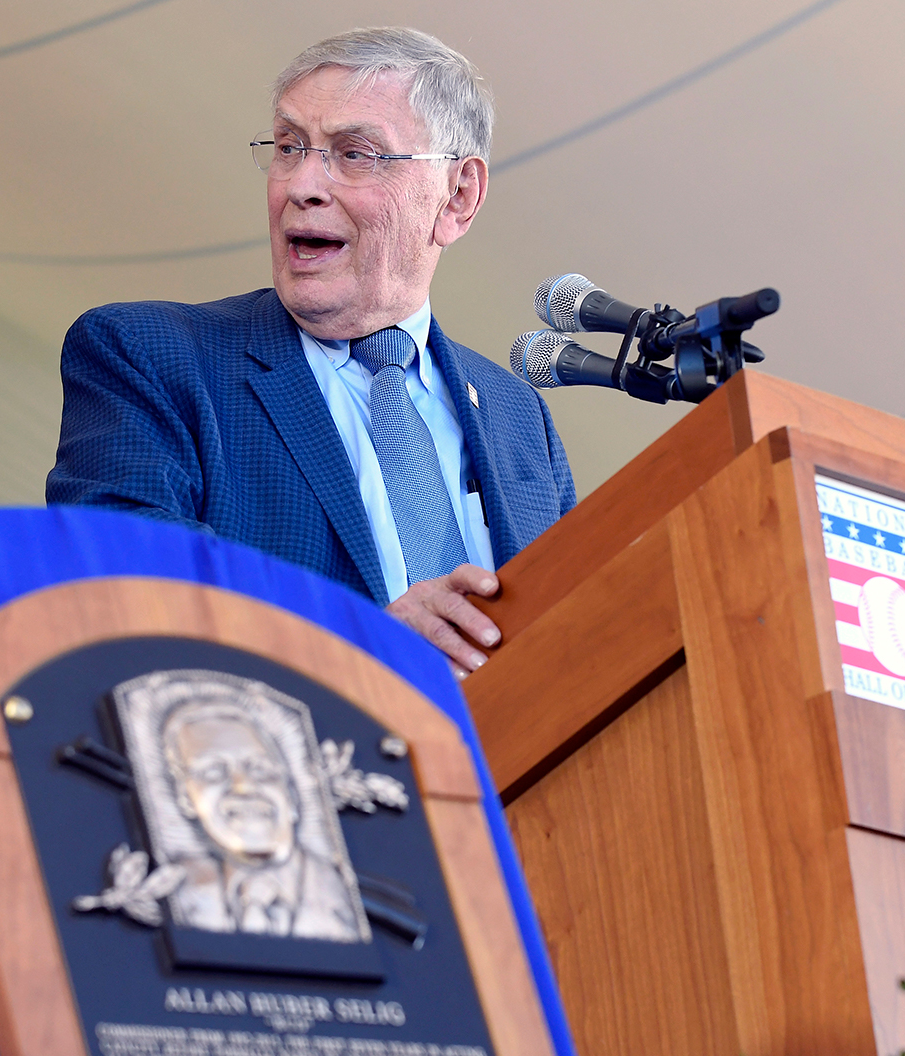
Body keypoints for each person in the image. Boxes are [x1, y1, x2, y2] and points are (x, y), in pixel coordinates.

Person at [46, 28, 575, 675]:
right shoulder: (149, 356)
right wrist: (358, 641)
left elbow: (577, 628)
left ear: (458, 195)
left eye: (355, 154)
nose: (302, 185)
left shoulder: (518, 415)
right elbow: (119, 572)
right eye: (290, 147)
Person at [160, 701, 366, 941]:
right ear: (185, 797)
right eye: (213, 771)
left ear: (290, 790)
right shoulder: (172, 891)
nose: (244, 786)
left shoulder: (354, 898)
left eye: (259, 768)